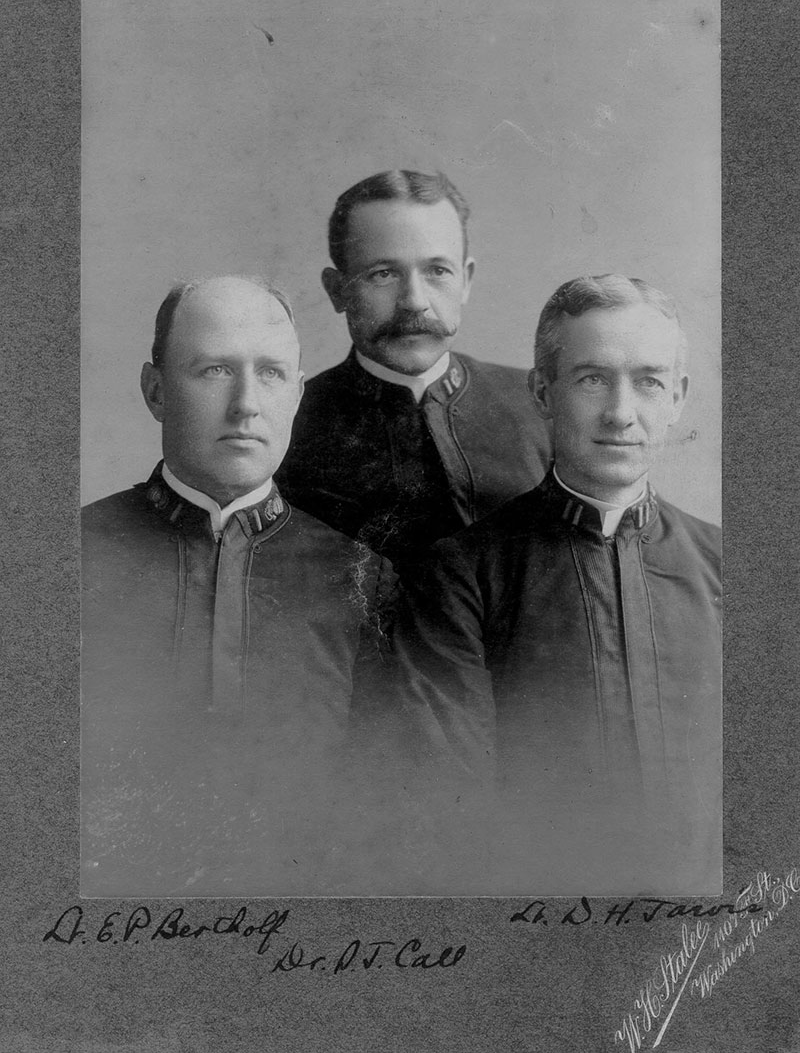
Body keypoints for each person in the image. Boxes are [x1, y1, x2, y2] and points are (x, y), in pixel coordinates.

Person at [391, 275, 721, 894]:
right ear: (542, 392)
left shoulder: (725, 566)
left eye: (648, 382)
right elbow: (451, 801)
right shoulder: (461, 573)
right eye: (592, 379)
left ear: (677, 398)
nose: (622, 413)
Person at [81, 276, 393, 897]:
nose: (246, 403)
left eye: (272, 373)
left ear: (298, 396)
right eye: (215, 370)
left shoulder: (365, 578)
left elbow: (385, 805)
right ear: (155, 391)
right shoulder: (66, 558)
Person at [275, 170, 550, 572]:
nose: (414, 302)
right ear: (338, 290)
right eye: (383, 274)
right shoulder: (286, 423)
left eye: (437, 271)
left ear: (466, 280)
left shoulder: (539, 405)